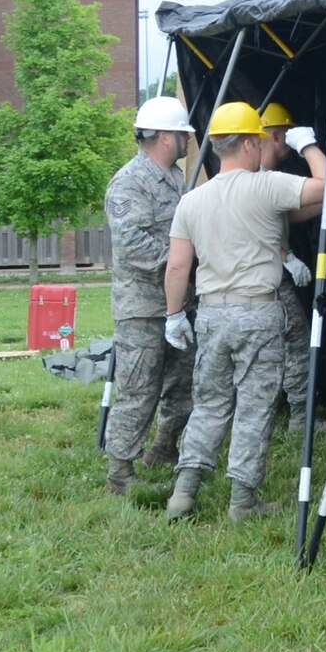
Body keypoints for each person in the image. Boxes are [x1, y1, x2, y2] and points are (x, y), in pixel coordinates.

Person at [162, 102, 326, 523]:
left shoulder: (192, 200)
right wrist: (308, 144)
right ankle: (242, 502)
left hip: (211, 315)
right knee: (255, 408)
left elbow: (178, 266)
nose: (263, 145)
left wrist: (173, 316)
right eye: (258, 139)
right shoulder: (266, 185)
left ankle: (183, 494)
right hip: (258, 313)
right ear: (245, 143)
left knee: (209, 404)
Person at [101, 96, 198, 492]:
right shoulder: (129, 182)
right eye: (182, 134)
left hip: (178, 304)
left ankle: (164, 447)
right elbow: (133, 245)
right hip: (142, 309)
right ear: (162, 136)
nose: (188, 141)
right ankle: (120, 471)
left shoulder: (176, 178)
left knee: (183, 383)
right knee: (139, 390)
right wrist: (182, 264)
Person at [253, 100, 318, 429]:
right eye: (286, 136)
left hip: (256, 282)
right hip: (269, 280)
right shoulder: (259, 178)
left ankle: (269, 418)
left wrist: (324, 206)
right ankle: (300, 420)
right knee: (295, 343)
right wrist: (287, 258)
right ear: (275, 136)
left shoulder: (255, 175)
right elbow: (254, 227)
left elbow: (281, 214)